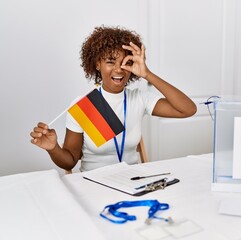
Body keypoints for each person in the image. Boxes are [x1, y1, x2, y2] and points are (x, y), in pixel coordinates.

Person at [30, 26, 197, 172]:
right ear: (97, 64)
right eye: (110, 62)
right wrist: (53, 148)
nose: (119, 70)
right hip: (94, 183)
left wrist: (147, 74)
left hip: (132, 181)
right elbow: (69, 161)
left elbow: (188, 110)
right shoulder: (84, 105)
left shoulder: (139, 99)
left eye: (126, 62)